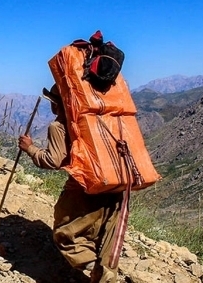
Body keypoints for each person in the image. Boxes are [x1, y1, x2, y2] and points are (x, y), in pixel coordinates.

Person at [18, 84, 123, 283]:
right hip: (116, 186)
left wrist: (30, 148)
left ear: (59, 105)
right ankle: (106, 276)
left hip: (83, 188)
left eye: (53, 102)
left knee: (65, 234)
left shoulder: (58, 126)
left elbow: (53, 160)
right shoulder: (102, 120)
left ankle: (93, 269)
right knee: (106, 239)